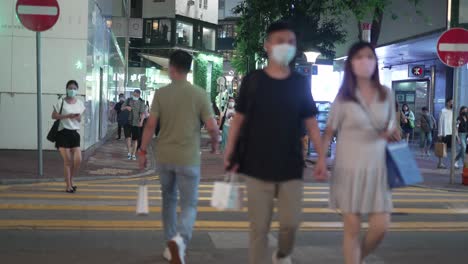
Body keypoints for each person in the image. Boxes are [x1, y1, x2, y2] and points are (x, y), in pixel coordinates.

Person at [224, 21, 327, 264]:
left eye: (290, 42)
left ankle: (282, 254)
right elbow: (238, 120)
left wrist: (321, 156)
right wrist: (229, 151)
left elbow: (311, 123)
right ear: (267, 45)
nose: (286, 46)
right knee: (258, 228)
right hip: (256, 166)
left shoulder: (300, 83)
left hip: (291, 166)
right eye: (280, 41)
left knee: (290, 225)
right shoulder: (253, 80)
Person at [322, 42, 400, 264]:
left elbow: (392, 126)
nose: (365, 61)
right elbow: (330, 129)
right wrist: (320, 160)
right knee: (352, 229)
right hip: (348, 169)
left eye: (369, 57)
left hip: (378, 170)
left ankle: (358, 257)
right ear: (351, 64)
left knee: (380, 227)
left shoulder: (386, 94)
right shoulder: (344, 96)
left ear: (375, 62)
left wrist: (391, 132)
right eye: (359, 57)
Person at [139, 50, 219, 264]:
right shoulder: (199, 94)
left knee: (169, 201)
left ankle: (169, 244)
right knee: (189, 204)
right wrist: (215, 143)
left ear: (171, 68)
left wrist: (142, 151)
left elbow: (150, 125)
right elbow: (212, 127)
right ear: (189, 69)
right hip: (189, 158)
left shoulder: (161, 94)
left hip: (164, 157)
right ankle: (180, 241)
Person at [51, 80, 86, 193]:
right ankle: (68, 186)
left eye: (74, 88)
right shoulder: (61, 101)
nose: (72, 90)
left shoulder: (80, 103)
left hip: (74, 134)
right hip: (63, 133)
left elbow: (81, 119)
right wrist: (67, 116)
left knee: (78, 160)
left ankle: (70, 179)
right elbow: (54, 116)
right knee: (68, 161)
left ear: (77, 90)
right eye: (70, 88)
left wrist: (77, 117)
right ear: (66, 89)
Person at [123, 89, 146, 161]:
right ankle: (129, 153)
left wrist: (141, 122)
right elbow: (121, 108)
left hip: (136, 123)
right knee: (128, 137)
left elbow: (142, 113)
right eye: (133, 94)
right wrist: (126, 107)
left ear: (139, 95)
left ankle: (133, 154)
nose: (134, 96)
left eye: (136, 95)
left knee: (135, 139)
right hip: (127, 121)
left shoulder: (141, 102)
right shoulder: (128, 100)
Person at [438, 98, 454, 169]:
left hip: (451, 132)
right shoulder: (442, 111)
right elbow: (440, 123)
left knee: (450, 149)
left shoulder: (452, 111)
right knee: (442, 148)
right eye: (451, 102)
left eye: (452, 102)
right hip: (444, 132)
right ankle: (440, 163)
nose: (452, 103)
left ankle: (453, 163)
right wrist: (440, 133)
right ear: (447, 102)